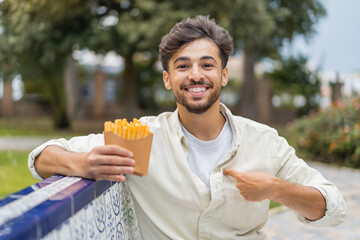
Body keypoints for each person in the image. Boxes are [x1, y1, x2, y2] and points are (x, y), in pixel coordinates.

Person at [29, 16, 347, 239]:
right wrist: (80, 163)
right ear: (168, 79)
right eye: (183, 66)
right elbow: (41, 157)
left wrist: (276, 189)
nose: (196, 75)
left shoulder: (265, 142)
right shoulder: (139, 137)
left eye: (207, 64)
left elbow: (333, 207)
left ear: (223, 75)